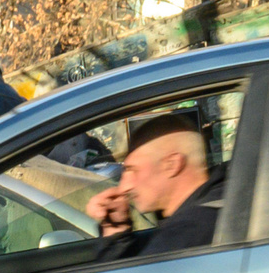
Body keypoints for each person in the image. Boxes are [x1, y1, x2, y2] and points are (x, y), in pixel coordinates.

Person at [89, 111, 227, 260]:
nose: (124, 188)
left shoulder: (186, 233)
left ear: (172, 165)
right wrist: (115, 231)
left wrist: (112, 245)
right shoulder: (217, 202)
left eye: (133, 170)